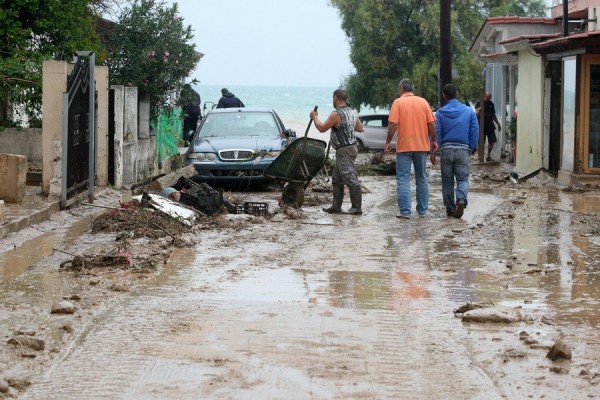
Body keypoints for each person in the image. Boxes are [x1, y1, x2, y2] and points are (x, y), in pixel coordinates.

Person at [384, 79, 437, 219]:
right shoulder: (423, 102)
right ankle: (422, 211)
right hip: (421, 146)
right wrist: (434, 141)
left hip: (404, 147)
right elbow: (431, 124)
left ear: (401, 88)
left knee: (403, 179)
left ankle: (406, 212)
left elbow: (393, 125)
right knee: (422, 178)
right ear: (412, 89)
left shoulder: (398, 102)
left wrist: (388, 141)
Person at [310, 88, 364, 215]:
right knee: (337, 177)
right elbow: (360, 128)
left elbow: (322, 128)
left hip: (344, 149)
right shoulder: (352, 112)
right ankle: (336, 206)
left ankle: (357, 208)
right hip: (351, 147)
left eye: (333, 99)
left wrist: (314, 117)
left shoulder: (336, 114)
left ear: (335, 98)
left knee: (350, 176)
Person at [433, 84, 479, 219]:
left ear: (444, 96)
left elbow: (437, 132)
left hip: (446, 149)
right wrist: (471, 147)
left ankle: (450, 208)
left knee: (447, 180)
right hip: (463, 149)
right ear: (456, 94)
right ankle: (461, 199)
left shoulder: (440, 113)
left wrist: (437, 148)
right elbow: (475, 130)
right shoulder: (469, 111)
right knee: (463, 178)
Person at [474, 92, 501, 162]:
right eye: (488, 97)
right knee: (480, 142)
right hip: (481, 126)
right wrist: (478, 110)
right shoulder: (478, 103)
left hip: (490, 125)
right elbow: (475, 114)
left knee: (492, 140)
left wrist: (498, 123)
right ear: (484, 96)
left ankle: (488, 156)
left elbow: (493, 115)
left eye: (490, 98)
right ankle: (480, 157)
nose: (489, 99)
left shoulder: (491, 104)